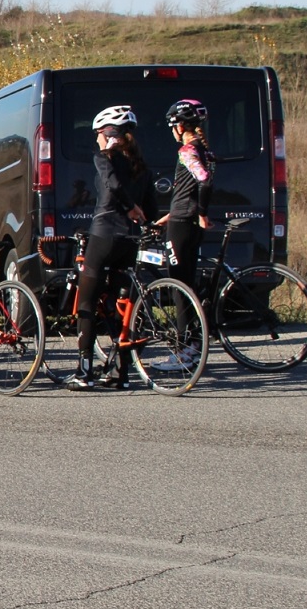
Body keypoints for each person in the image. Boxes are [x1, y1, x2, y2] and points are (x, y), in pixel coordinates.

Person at [66, 105, 155, 390]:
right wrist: (145, 219)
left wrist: (128, 207)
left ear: (109, 134)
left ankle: (83, 372)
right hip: (129, 242)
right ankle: (119, 372)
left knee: (87, 304)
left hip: (104, 235)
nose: (96, 140)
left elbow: (112, 184)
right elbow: (151, 208)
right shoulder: (142, 166)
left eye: (98, 134)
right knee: (121, 306)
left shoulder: (104, 158)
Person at [153, 98, 214, 369]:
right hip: (180, 221)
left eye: (171, 126)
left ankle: (183, 351)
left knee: (180, 288)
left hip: (184, 225)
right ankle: (195, 345)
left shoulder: (187, 150)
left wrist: (201, 213)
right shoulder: (202, 148)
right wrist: (165, 218)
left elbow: (203, 180)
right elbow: (187, 192)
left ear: (179, 126)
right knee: (188, 285)